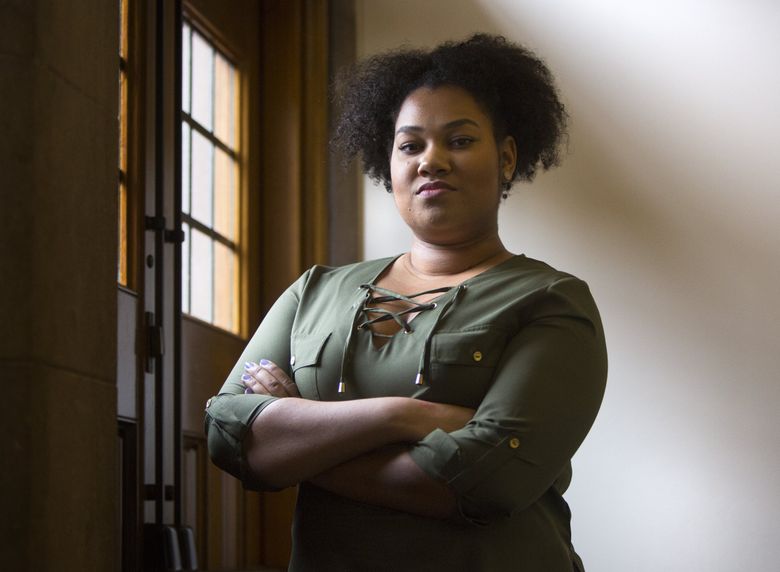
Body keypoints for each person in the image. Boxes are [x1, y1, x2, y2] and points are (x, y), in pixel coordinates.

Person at [205, 34, 607, 571]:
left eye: (459, 140)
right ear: (388, 162)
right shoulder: (314, 291)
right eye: (410, 146)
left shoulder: (551, 301)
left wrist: (297, 444)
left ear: (506, 157)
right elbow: (227, 433)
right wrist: (402, 417)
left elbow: (485, 482)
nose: (431, 161)